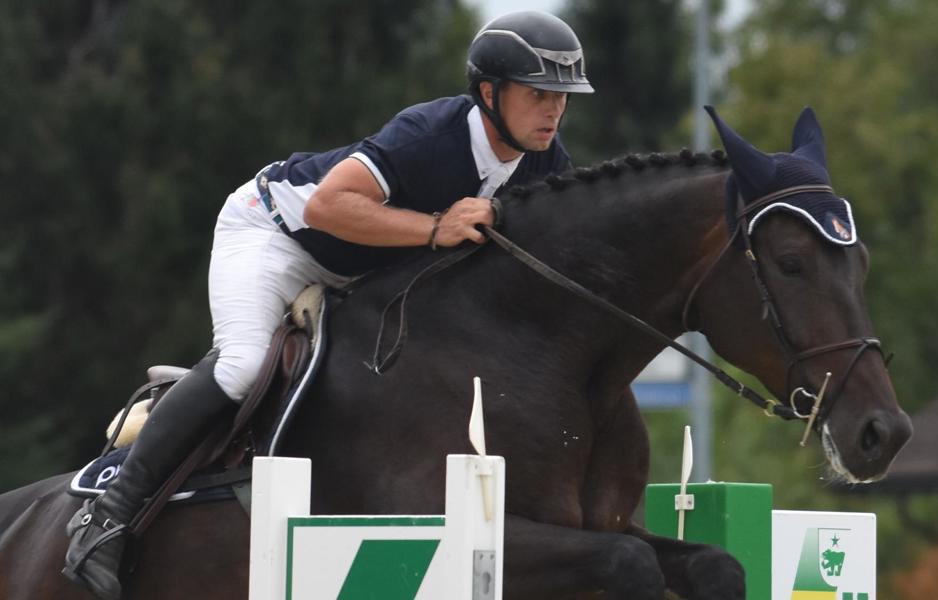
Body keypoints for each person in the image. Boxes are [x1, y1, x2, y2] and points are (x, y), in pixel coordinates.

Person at [61, 10, 594, 600]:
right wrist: (437, 226)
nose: (554, 111)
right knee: (240, 365)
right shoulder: (431, 134)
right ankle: (107, 517)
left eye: (562, 98)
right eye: (539, 94)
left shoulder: (544, 160)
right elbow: (326, 208)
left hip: (364, 267)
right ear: (489, 93)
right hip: (276, 235)